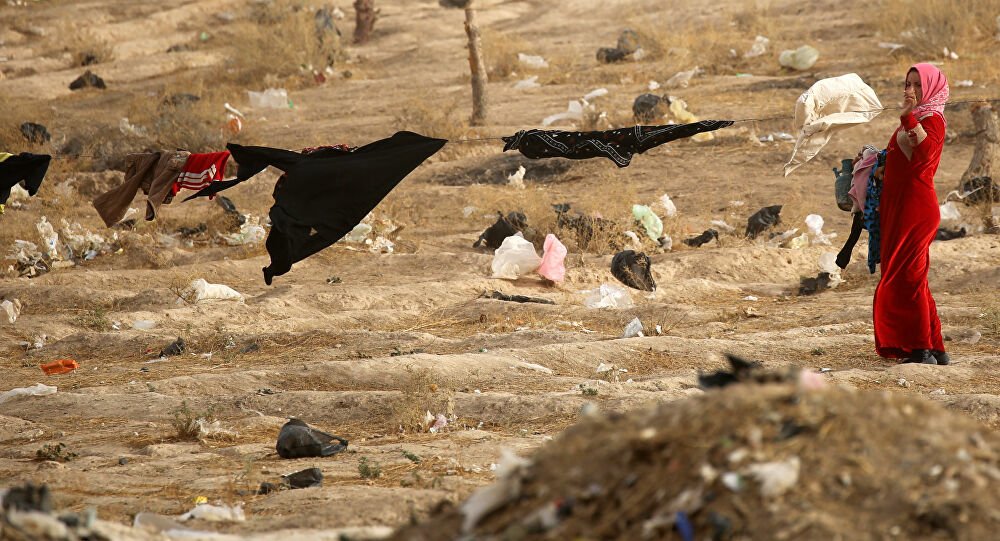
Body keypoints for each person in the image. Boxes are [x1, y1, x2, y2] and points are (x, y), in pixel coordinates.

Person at [873, 63, 950, 365]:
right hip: (898, 206)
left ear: (931, 88)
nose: (910, 90)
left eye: (918, 85)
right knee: (912, 276)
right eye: (907, 84)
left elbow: (926, 153)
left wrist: (906, 116)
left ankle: (919, 349)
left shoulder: (932, 119)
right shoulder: (917, 117)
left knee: (906, 278)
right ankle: (936, 348)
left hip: (915, 209)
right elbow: (906, 161)